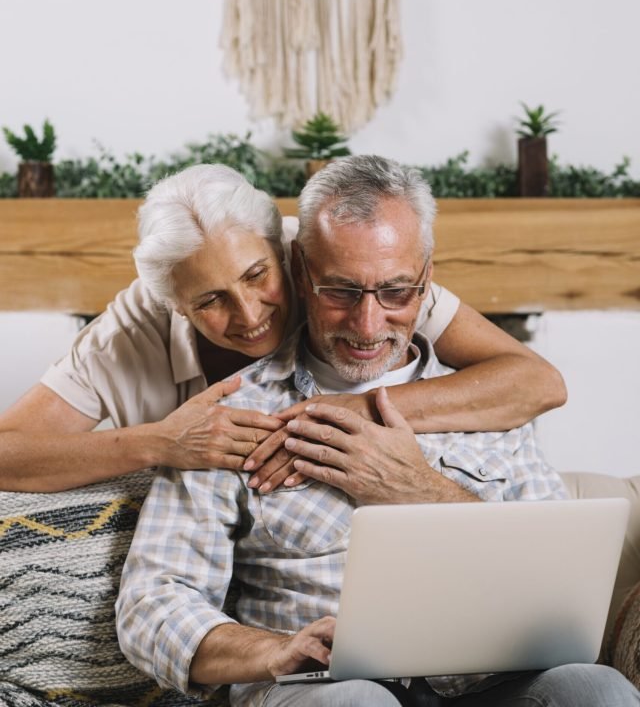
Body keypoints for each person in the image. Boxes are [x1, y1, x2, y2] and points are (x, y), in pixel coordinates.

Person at [115, 156, 637, 706]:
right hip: (326, 691)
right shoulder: (235, 416)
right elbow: (153, 601)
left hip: (494, 686)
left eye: (395, 291)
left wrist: (419, 491)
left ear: (426, 279)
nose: (368, 325)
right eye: (340, 291)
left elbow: (558, 584)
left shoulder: (493, 402)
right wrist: (274, 650)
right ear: (299, 271)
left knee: (593, 687)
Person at [0, 162, 566, 493]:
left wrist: (351, 412)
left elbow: (537, 383)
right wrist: (160, 443)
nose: (250, 316)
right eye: (212, 300)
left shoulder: (350, 272)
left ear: (286, 253)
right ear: (174, 302)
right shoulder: (132, 326)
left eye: (257, 275)